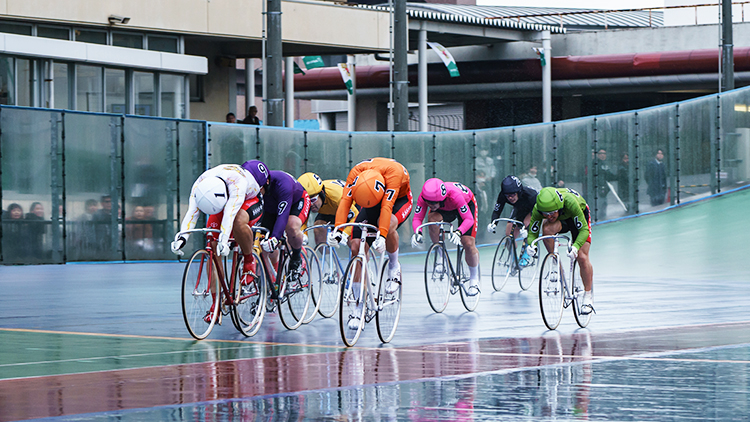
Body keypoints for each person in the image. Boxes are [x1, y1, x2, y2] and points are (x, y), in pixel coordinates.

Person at [171, 162, 267, 321]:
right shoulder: (199, 186)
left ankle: (249, 260)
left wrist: (224, 240)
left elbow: (229, 215)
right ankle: (216, 306)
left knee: (237, 223)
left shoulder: (238, 184)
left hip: (248, 199)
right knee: (213, 248)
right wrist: (182, 238)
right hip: (220, 203)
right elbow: (192, 213)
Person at [328, 157, 413, 328]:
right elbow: (345, 202)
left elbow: (387, 208)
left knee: (388, 227)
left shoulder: (394, 174)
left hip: (398, 201)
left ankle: (393, 267)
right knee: (355, 246)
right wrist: (338, 230)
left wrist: (381, 235)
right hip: (370, 201)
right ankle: (358, 308)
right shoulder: (356, 174)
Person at [524, 187, 595, 314]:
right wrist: (531, 245)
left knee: (582, 257)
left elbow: (584, 230)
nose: (549, 216)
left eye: (552, 213)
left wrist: (576, 246)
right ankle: (554, 262)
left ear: (559, 207)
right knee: (547, 229)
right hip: (562, 219)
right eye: (545, 214)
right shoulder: (538, 209)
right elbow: (532, 233)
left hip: (578, 215)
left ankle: (588, 295)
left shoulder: (570, 203)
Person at [410, 178, 480, 295]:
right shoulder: (426, 197)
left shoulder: (454, 196)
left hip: (465, 204)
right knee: (432, 219)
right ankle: (441, 256)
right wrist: (418, 232)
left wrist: (458, 232)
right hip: (444, 209)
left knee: (467, 242)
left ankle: (474, 280)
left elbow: (469, 219)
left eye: (432, 203)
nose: (429, 205)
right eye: (427, 202)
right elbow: (417, 218)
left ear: (441, 198)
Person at [257, 166, 311, 276]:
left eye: (259, 188)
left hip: (296, 202)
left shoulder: (282, 184)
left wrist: (275, 237)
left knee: (291, 226)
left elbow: (283, 215)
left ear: (266, 182)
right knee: (264, 242)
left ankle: (296, 255)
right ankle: (275, 279)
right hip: (271, 208)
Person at [297, 172, 359, 246]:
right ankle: (326, 257)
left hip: (350, 206)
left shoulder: (337, 198)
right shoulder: (313, 200)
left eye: (313, 200)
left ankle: (360, 256)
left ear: (322, 193)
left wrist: (345, 234)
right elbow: (302, 219)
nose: (311, 204)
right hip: (330, 210)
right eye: (308, 201)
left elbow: (356, 217)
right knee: (318, 228)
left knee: (353, 241)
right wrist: (303, 234)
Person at [487, 175, 538, 248]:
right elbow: (497, 210)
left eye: (513, 194)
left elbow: (536, 214)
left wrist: (528, 228)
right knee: (509, 234)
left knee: (526, 224)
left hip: (532, 209)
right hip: (519, 209)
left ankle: (527, 254)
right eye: (507, 195)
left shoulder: (531, 196)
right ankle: (513, 258)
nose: (510, 198)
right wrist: (493, 222)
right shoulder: (503, 195)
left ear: (519, 192)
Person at [594, 148, 617, 219]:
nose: (602, 155)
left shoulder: (605, 165)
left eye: (604, 154)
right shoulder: (595, 164)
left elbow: (609, 176)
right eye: (601, 153)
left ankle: (602, 219)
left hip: (604, 190)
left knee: (604, 204)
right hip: (597, 189)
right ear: (597, 155)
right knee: (598, 205)